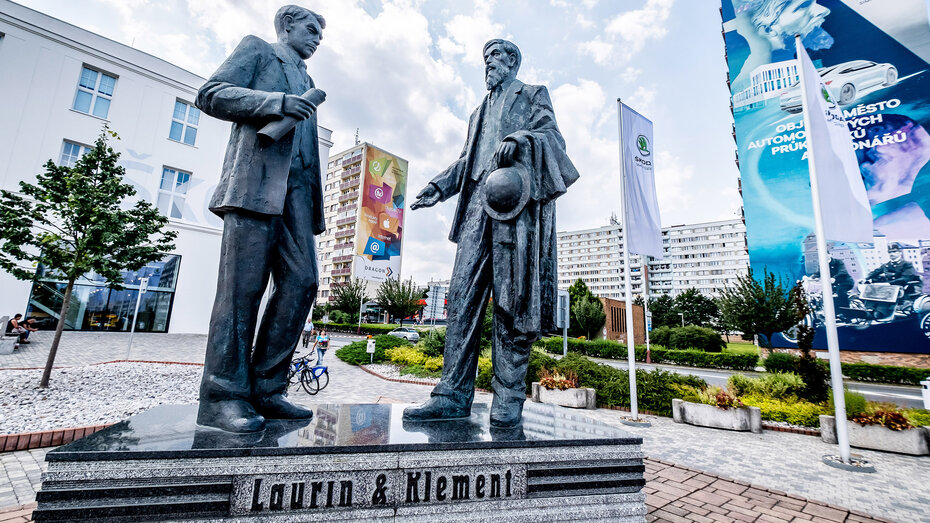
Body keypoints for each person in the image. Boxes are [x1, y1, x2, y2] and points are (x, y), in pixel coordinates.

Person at [404, 39, 579, 428]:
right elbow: (469, 160)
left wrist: (520, 139)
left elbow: (553, 139)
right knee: (462, 301)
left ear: (512, 60)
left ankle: (509, 397)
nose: (488, 64)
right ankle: (450, 394)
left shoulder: (533, 95)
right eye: (485, 58)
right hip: (474, 214)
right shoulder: (476, 113)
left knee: (512, 305)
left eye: (495, 57)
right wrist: (438, 187)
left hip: (513, 213)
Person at [195, 5, 326, 433]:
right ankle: (223, 397)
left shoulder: (307, 80)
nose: (317, 37)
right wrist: (276, 102)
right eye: (311, 28)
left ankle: (268, 388)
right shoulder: (258, 50)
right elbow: (211, 93)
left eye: (320, 32)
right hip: (254, 186)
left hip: (298, 196)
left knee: (303, 281)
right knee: (241, 292)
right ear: (286, 25)